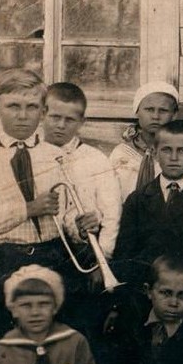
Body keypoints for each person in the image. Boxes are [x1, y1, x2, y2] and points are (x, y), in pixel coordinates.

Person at [0, 68, 72, 343]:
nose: (23, 115)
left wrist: (80, 224)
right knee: (5, 341)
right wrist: (27, 209)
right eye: (13, 106)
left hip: (54, 256)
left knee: (54, 341)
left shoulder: (57, 156)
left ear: (43, 112)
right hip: (6, 260)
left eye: (31, 107)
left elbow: (69, 212)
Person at [112, 120, 183, 306]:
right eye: (166, 150)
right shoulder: (138, 199)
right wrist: (122, 301)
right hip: (144, 293)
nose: (173, 157)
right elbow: (125, 253)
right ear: (154, 153)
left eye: (182, 151)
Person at [41, 81, 121, 261]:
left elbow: (112, 215)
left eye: (69, 120)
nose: (61, 125)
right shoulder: (30, 155)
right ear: (42, 114)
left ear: (82, 122)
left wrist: (102, 259)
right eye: (55, 117)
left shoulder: (96, 160)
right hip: (40, 250)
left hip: (83, 253)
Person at [109, 81, 180, 201]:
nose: (156, 116)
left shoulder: (181, 154)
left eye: (163, 110)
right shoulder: (121, 154)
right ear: (137, 112)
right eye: (149, 109)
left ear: (174, 115)